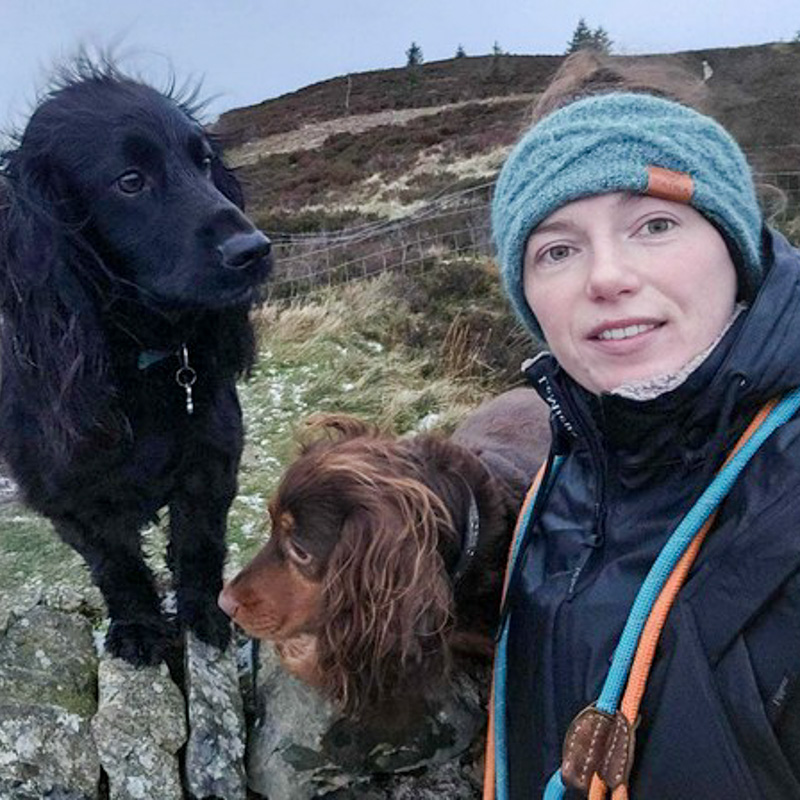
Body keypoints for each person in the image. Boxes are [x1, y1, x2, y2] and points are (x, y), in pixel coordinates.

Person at [487, 52, 800, 800]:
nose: (606, 276)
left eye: (654, 224)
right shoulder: (557, 488)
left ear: (735, 246)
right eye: (558, 249)